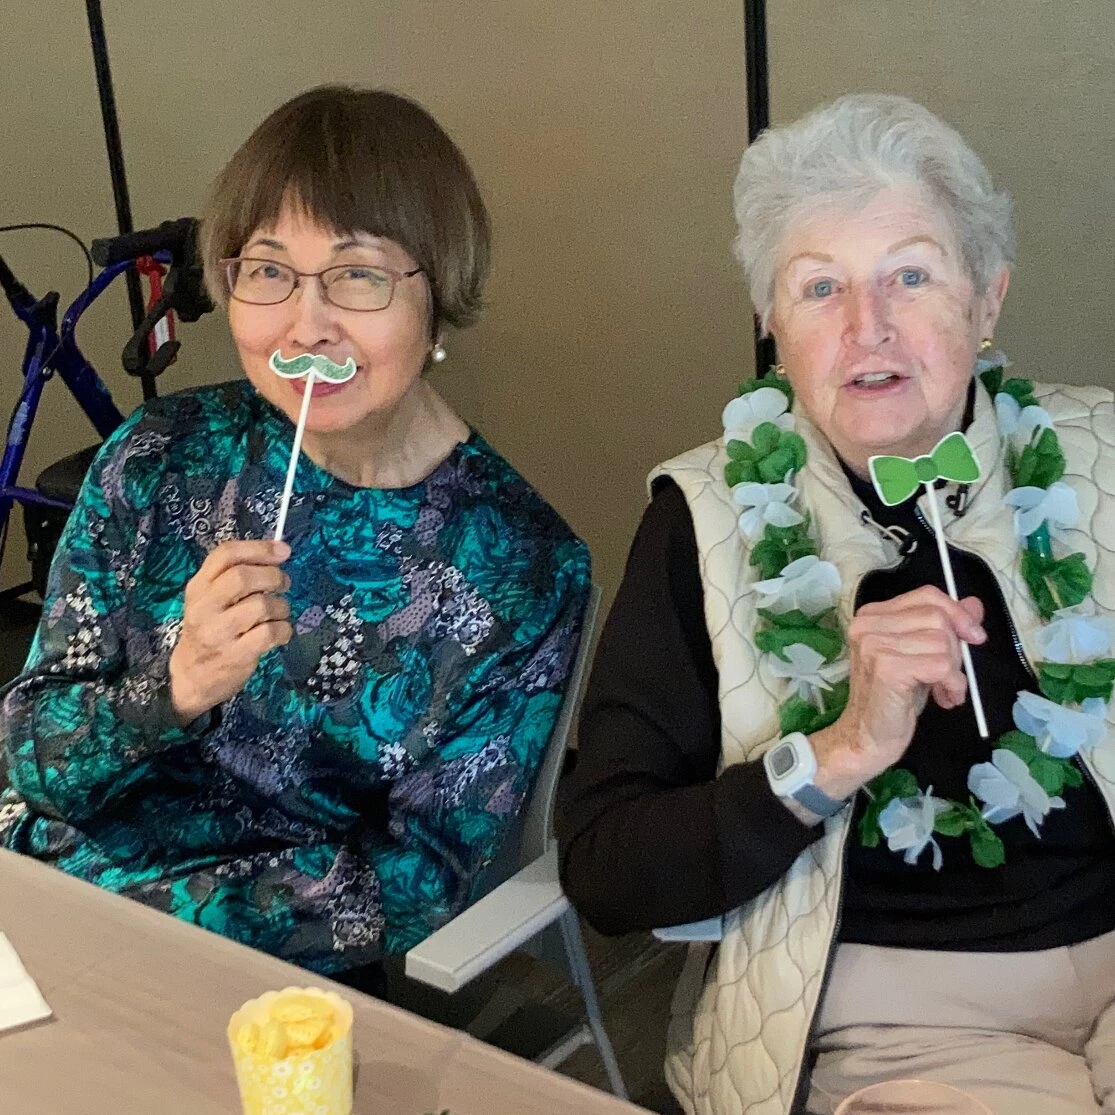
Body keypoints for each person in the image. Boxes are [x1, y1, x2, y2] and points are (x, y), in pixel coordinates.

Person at [558, 93, 1115, 1115]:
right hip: (905, 1023)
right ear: (773, 327)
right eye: (819, 288)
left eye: (910, 273)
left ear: (986, 300)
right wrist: (837, 750)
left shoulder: (1099, 458)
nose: (869, 327)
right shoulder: (706, 519)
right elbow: (606, 868)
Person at [0, 86, 590, 987]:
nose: (305, 324)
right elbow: (33, 758)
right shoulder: (159, 457)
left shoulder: (524, 567)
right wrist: (175, 684)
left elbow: (418, 878)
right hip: (41, 903)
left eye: (359, 276)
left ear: (440, 298)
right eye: (268, 271)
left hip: (255, 971)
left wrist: (146, 934)